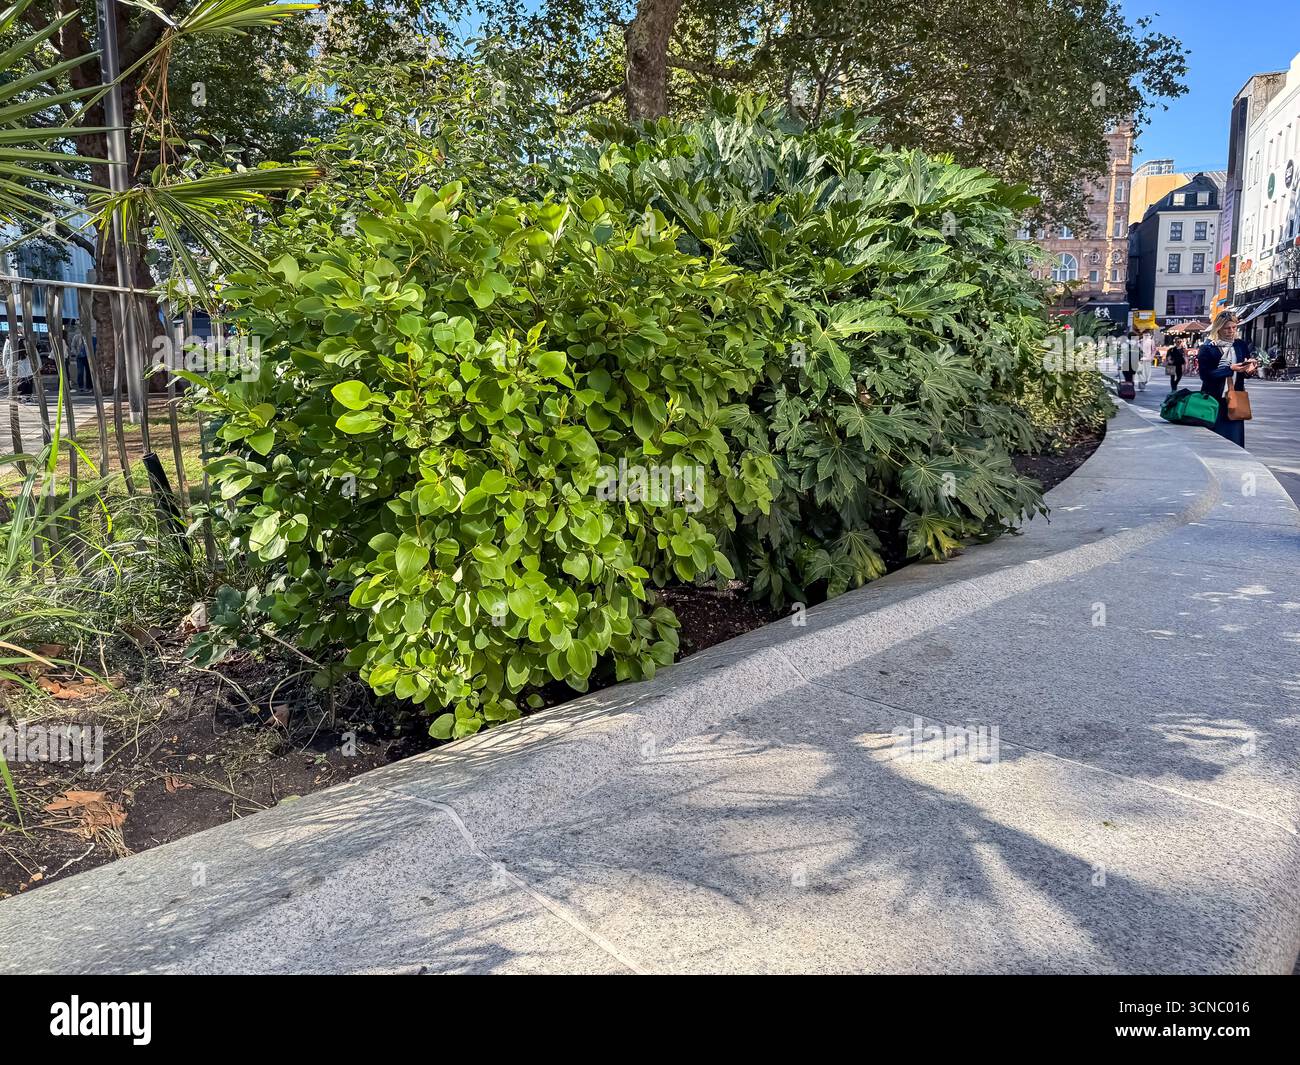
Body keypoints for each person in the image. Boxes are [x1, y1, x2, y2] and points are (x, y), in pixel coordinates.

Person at [1197, 311, 1257, 448]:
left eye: (1234, 327)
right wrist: (1230, 369)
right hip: (1214, 398)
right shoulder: (1208, 348)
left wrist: (1250, 369)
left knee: (1234, 440)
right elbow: (1205, 376)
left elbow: (1244, 371)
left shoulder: (1240, 345)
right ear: (1218, 328)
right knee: (1214, 438)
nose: (1231, 331)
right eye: (1227, 328)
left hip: (1235, 397)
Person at [2, 329, 34, 400]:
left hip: (13, 363)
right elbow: (33, 352)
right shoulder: (26, 339)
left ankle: (16, 396)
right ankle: (27, 397)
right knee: (27, 381)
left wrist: (4, 365)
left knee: (16, 381)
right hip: (27, 364)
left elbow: (5, 354)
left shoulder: (9, 340)